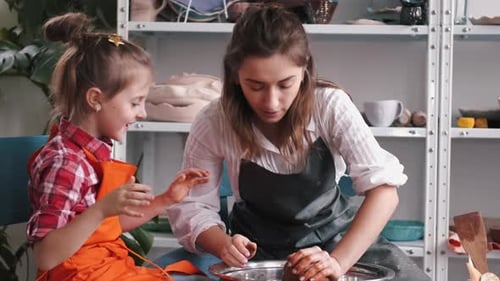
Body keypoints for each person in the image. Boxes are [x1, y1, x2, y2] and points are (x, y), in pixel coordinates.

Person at [164, 5, 431, 281]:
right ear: (234, 76)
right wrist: (223, 244)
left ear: (304, 71)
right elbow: (193, 206)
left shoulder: (329, 106)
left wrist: (337, 263)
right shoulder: (214, 120)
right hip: (258, 254)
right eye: (255, 86)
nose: (271, 102)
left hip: (338, 246)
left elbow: (384, 192)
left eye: (285, 84)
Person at [26, 12, 210, 281]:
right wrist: (101, 209)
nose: (143, 113)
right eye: (135, 102)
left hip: (104, 269)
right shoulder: (65, 163)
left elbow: (107, 227)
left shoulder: (91, 154)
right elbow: (46, 256)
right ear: (95, 99)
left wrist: (165, 200)